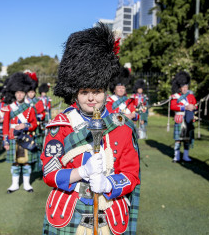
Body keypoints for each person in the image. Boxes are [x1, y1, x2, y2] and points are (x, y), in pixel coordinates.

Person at [41, 23, 141, 234]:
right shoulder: (61, 126)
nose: (91, 98)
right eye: (84, 91)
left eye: (97, 91)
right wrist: (80, 172)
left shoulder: (122, 127)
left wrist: (108, 184)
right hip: (70, 214)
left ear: (106, 91)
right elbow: (50, 173)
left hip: (110, 213)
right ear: (75, 92)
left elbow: (131, 174)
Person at [2, 72, 38, 193]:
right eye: (17, 92)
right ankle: (14, 184)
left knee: (27, 162)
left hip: (25, 136)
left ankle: (27, 184)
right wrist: (5, 140)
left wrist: (26, 125)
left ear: (25, 93)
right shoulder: (9, 107)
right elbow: (5, 125)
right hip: (13, 137)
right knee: (15, 162)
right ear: (14, 93)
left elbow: (34, 124)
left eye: (21, 92)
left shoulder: (30, 107)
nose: (19, 95)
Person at [170, 71, 197, 162]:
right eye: (183, 87)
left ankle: (185, 156)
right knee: (178, 139)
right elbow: (172, 106)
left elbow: (195, 105)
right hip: (180, 119)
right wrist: (184, 107)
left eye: (186, 87)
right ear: (180, 88)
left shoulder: (191, 96)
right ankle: (176, 156)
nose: (185, 89)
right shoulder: (175, 96)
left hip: (188, 119)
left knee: (186, 139)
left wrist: (193, 107)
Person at [23, 70, 46, 174]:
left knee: (38, 147)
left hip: (37, 128)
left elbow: (42, 114)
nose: (31, 94)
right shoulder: (24, 102)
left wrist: (36, 117)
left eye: (32, 92)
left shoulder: (39, 101)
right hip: (27, 128)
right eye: (29, 92)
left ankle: (37, 166)